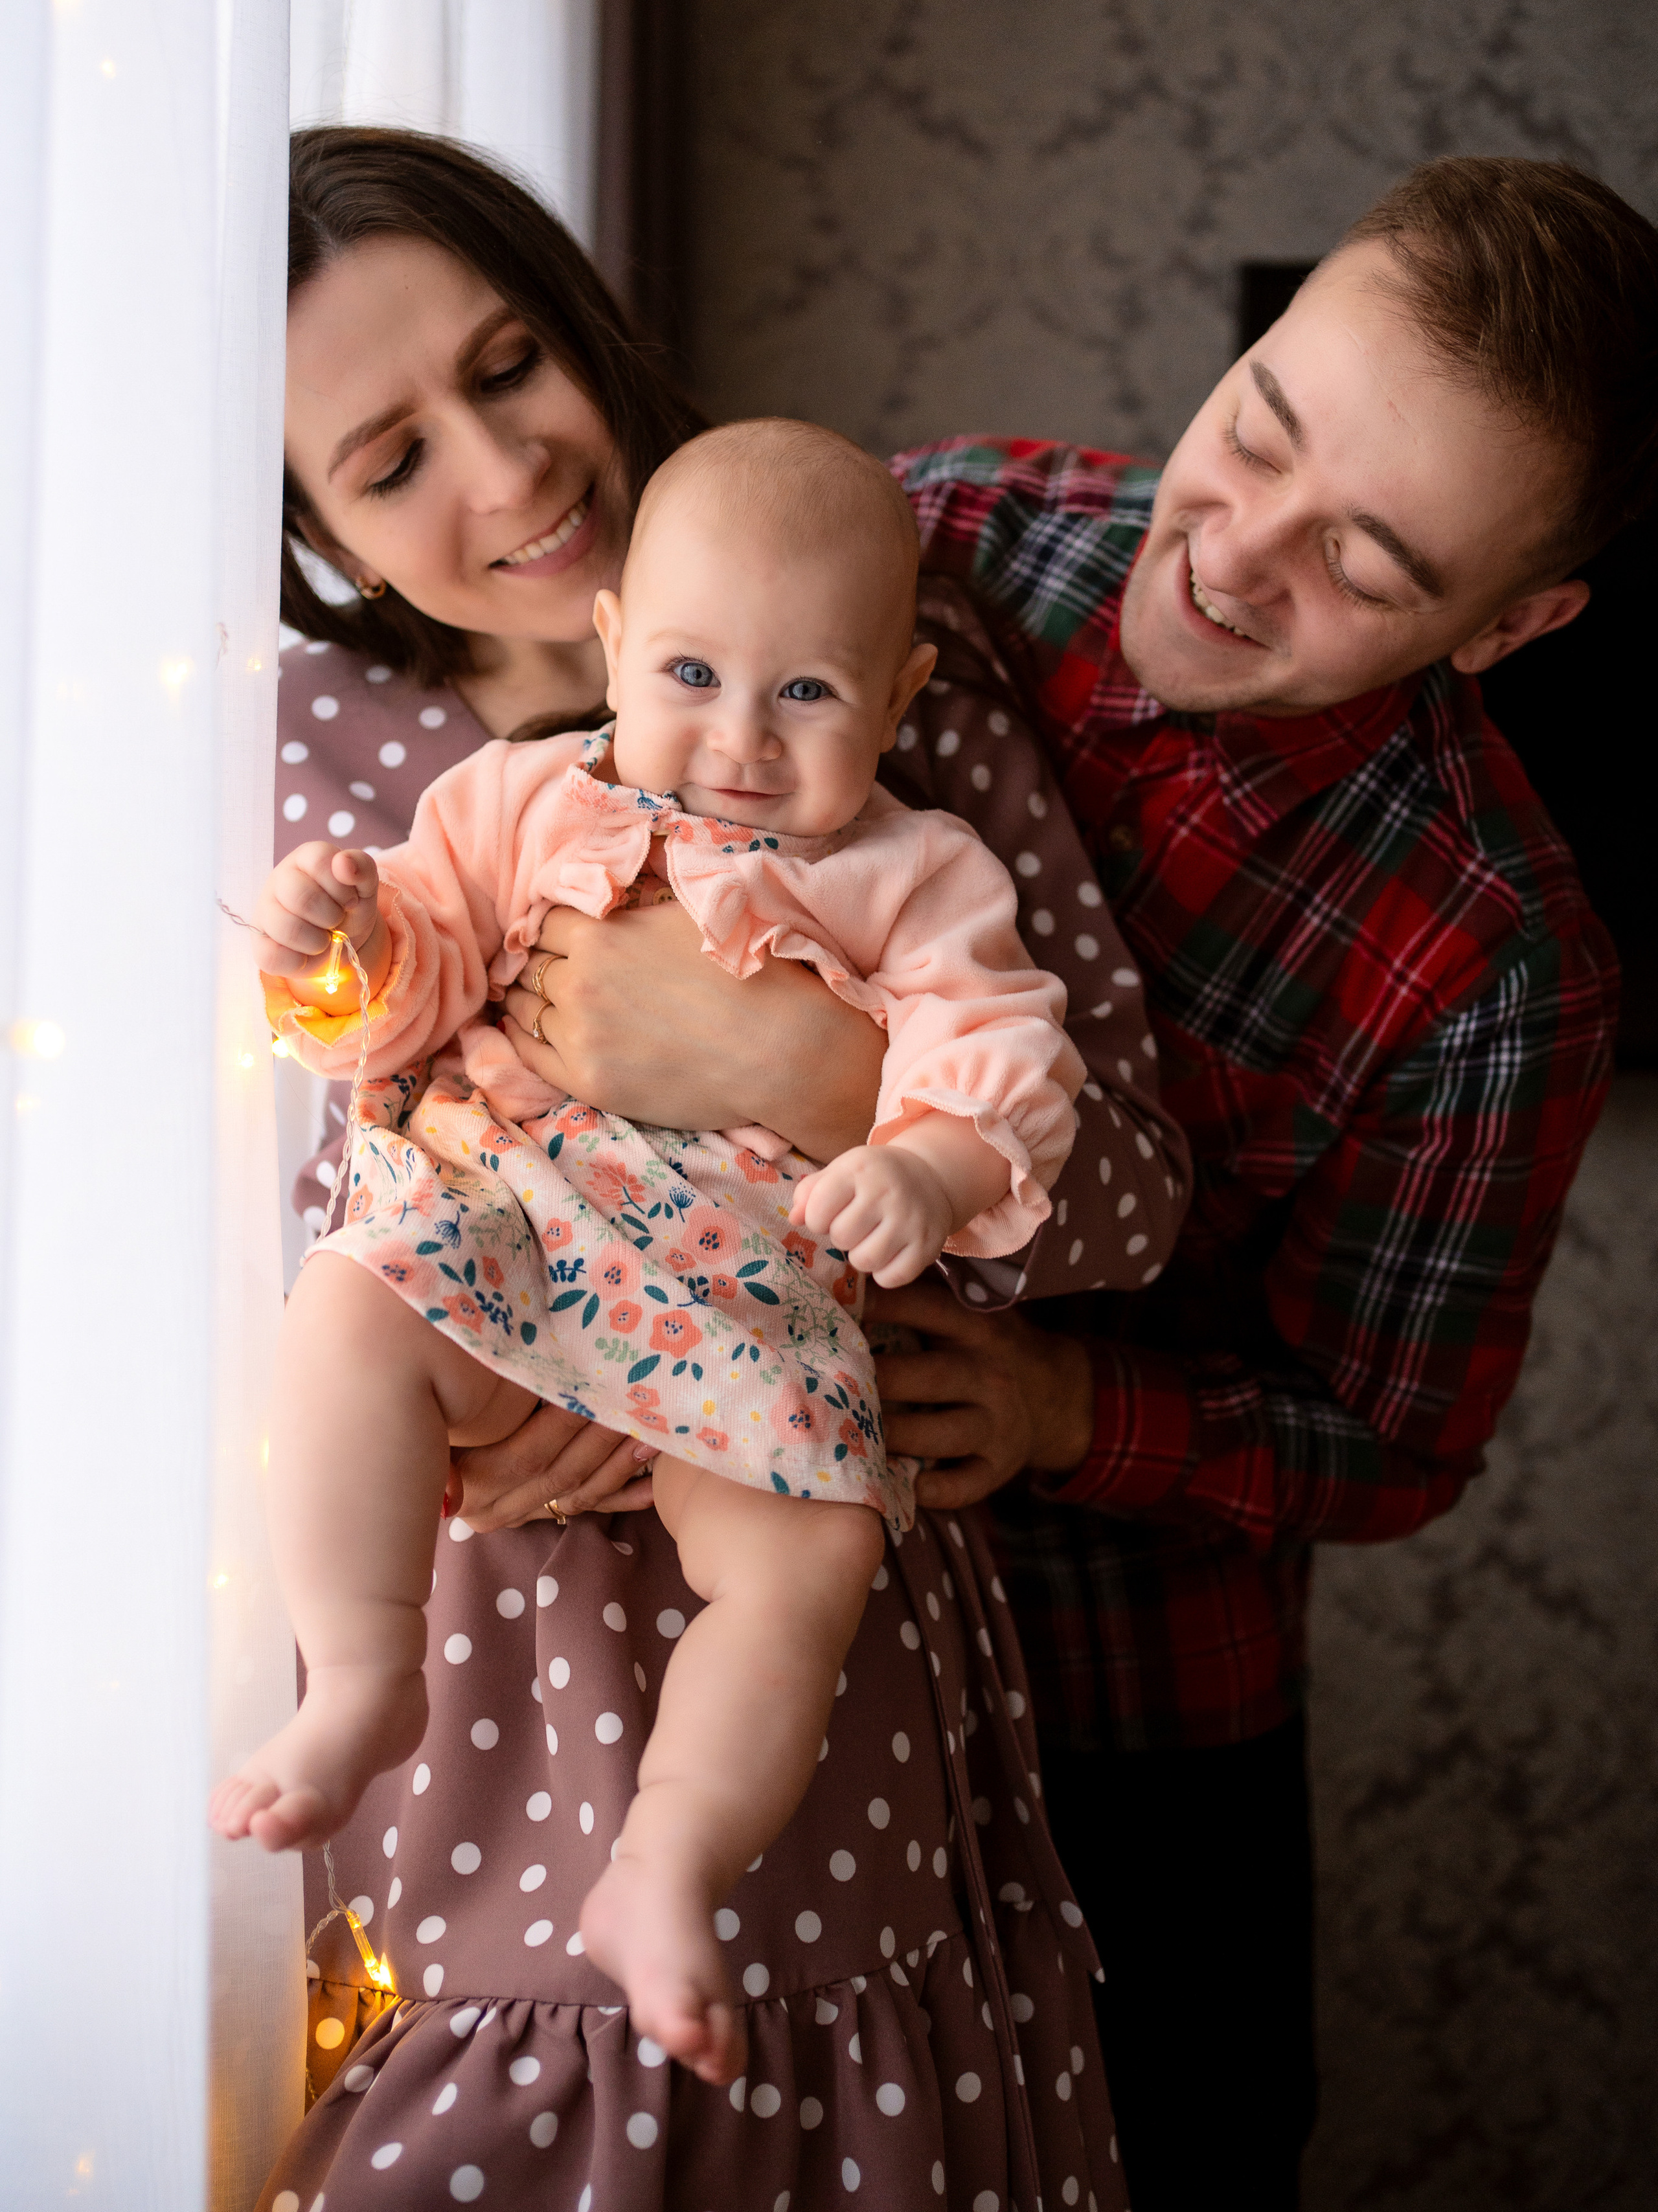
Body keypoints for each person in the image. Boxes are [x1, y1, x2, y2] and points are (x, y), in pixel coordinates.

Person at [254, 124, 1188, 2211]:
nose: (502, 475)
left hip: (798, 1556)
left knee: (784, 2064)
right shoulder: (298, 751)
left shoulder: (862, 663)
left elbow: (1124, 1185)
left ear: (580, 316)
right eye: (388, 461)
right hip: (487, 1606)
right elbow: (290, 1164)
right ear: (314, 531)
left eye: (508, 367)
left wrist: (817, 1072)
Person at [849, 158, 1650, 2209]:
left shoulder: (1500, 960)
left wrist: (1055, 1415)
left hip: (1126, 1718)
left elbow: (1390, 1442)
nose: (1234, 555)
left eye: (1368, 565)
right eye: (1258, 431)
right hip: (747, 1605)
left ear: (1515, 624)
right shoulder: (934, 534)